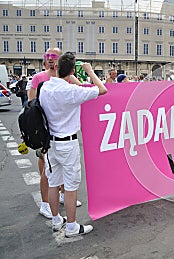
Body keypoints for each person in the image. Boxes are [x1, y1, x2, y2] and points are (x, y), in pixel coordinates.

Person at [39, 52, 107, 237]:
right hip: (67, 144)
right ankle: (71, 226)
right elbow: (102, 90)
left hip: (50, 142)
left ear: (56, 67)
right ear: (71, 71)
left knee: (53, 184)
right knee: (70, 186)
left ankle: (55, 220)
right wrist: (90, 71)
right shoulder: (70, 91)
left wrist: (68, 73)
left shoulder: (44, 87)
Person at [27, 48, 82, 219]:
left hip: (60, 133)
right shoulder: (39, 78)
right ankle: (45, 203)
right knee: (48, 172)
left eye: (54, 57)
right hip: (45, 133)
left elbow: (79, 89)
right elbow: (31, 105)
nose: (51, 60)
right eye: (48, 57)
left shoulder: (65, 79)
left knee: (61, 169)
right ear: (44, 60)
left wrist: (71, 76)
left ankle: (65, 195)